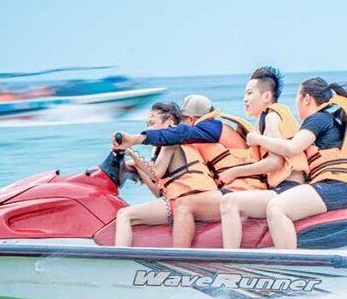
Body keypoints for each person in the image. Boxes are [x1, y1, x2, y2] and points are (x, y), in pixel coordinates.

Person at [111, 93, 264, 247]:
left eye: (183, 121)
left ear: (191, 119)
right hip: (235, 189)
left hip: (242, 190)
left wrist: (135, 142)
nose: (179, 126)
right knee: (182, 204)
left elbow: (179, 135)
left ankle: (179, 261)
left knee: (183, 205)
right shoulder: (208, 136)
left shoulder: (213, 128)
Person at [243, 77, 347, 249]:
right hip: (343, 187)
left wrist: (258, 139)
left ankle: (287, 266)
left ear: (306, 99)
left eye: (297, 98)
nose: (296, 104)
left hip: (337, 187)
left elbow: (292, 148)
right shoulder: (327, 119)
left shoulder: (318, 119)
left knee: (276, 208)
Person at [217, 66, 310, 249]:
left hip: (288, 189)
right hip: (284, 188)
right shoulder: (265, 119)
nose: (244, 99)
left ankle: (231, 261)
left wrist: (234, 172)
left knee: (229, 202)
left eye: (249, 93)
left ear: (266, 96)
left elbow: (275, 162)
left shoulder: (271, 116)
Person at [111, 102, 218, 247]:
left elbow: (155, 173)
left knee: (124, 215)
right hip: (180, 201)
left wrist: (131, 153)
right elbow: (157, 191)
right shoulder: (164, 148)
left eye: (152, 123)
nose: (149, 129)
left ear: (169, 123)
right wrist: (137, 165)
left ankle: (119, 260)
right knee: (128, 214)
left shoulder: (171, 143)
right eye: (148, 125)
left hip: (192, 199)